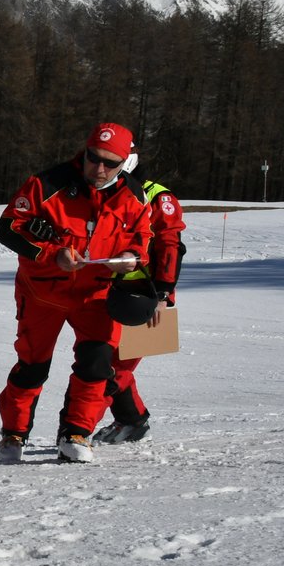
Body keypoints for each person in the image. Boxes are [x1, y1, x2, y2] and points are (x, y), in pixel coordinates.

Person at [0, 123, 153, 464]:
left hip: (96, 295)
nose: (99, 168)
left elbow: (143, 241)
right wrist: (53, 254)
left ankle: (76, 432)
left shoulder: (135, 196)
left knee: (97, 364)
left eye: (110, 163)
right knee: (32, 366)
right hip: (43, 294)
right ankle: (14, 433)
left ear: (124, 162)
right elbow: (8, 229)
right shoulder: (47, 183)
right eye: (94, 158)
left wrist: (131, 258)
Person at [95, 159, 186, 444]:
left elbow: (171, 247)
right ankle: (131, 420)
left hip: (142, 294)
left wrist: (162, 294)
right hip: (104, 290)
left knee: (111, 369)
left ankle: (78, 429)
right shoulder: (106, 191)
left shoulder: (157, 196)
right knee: (97, 359)